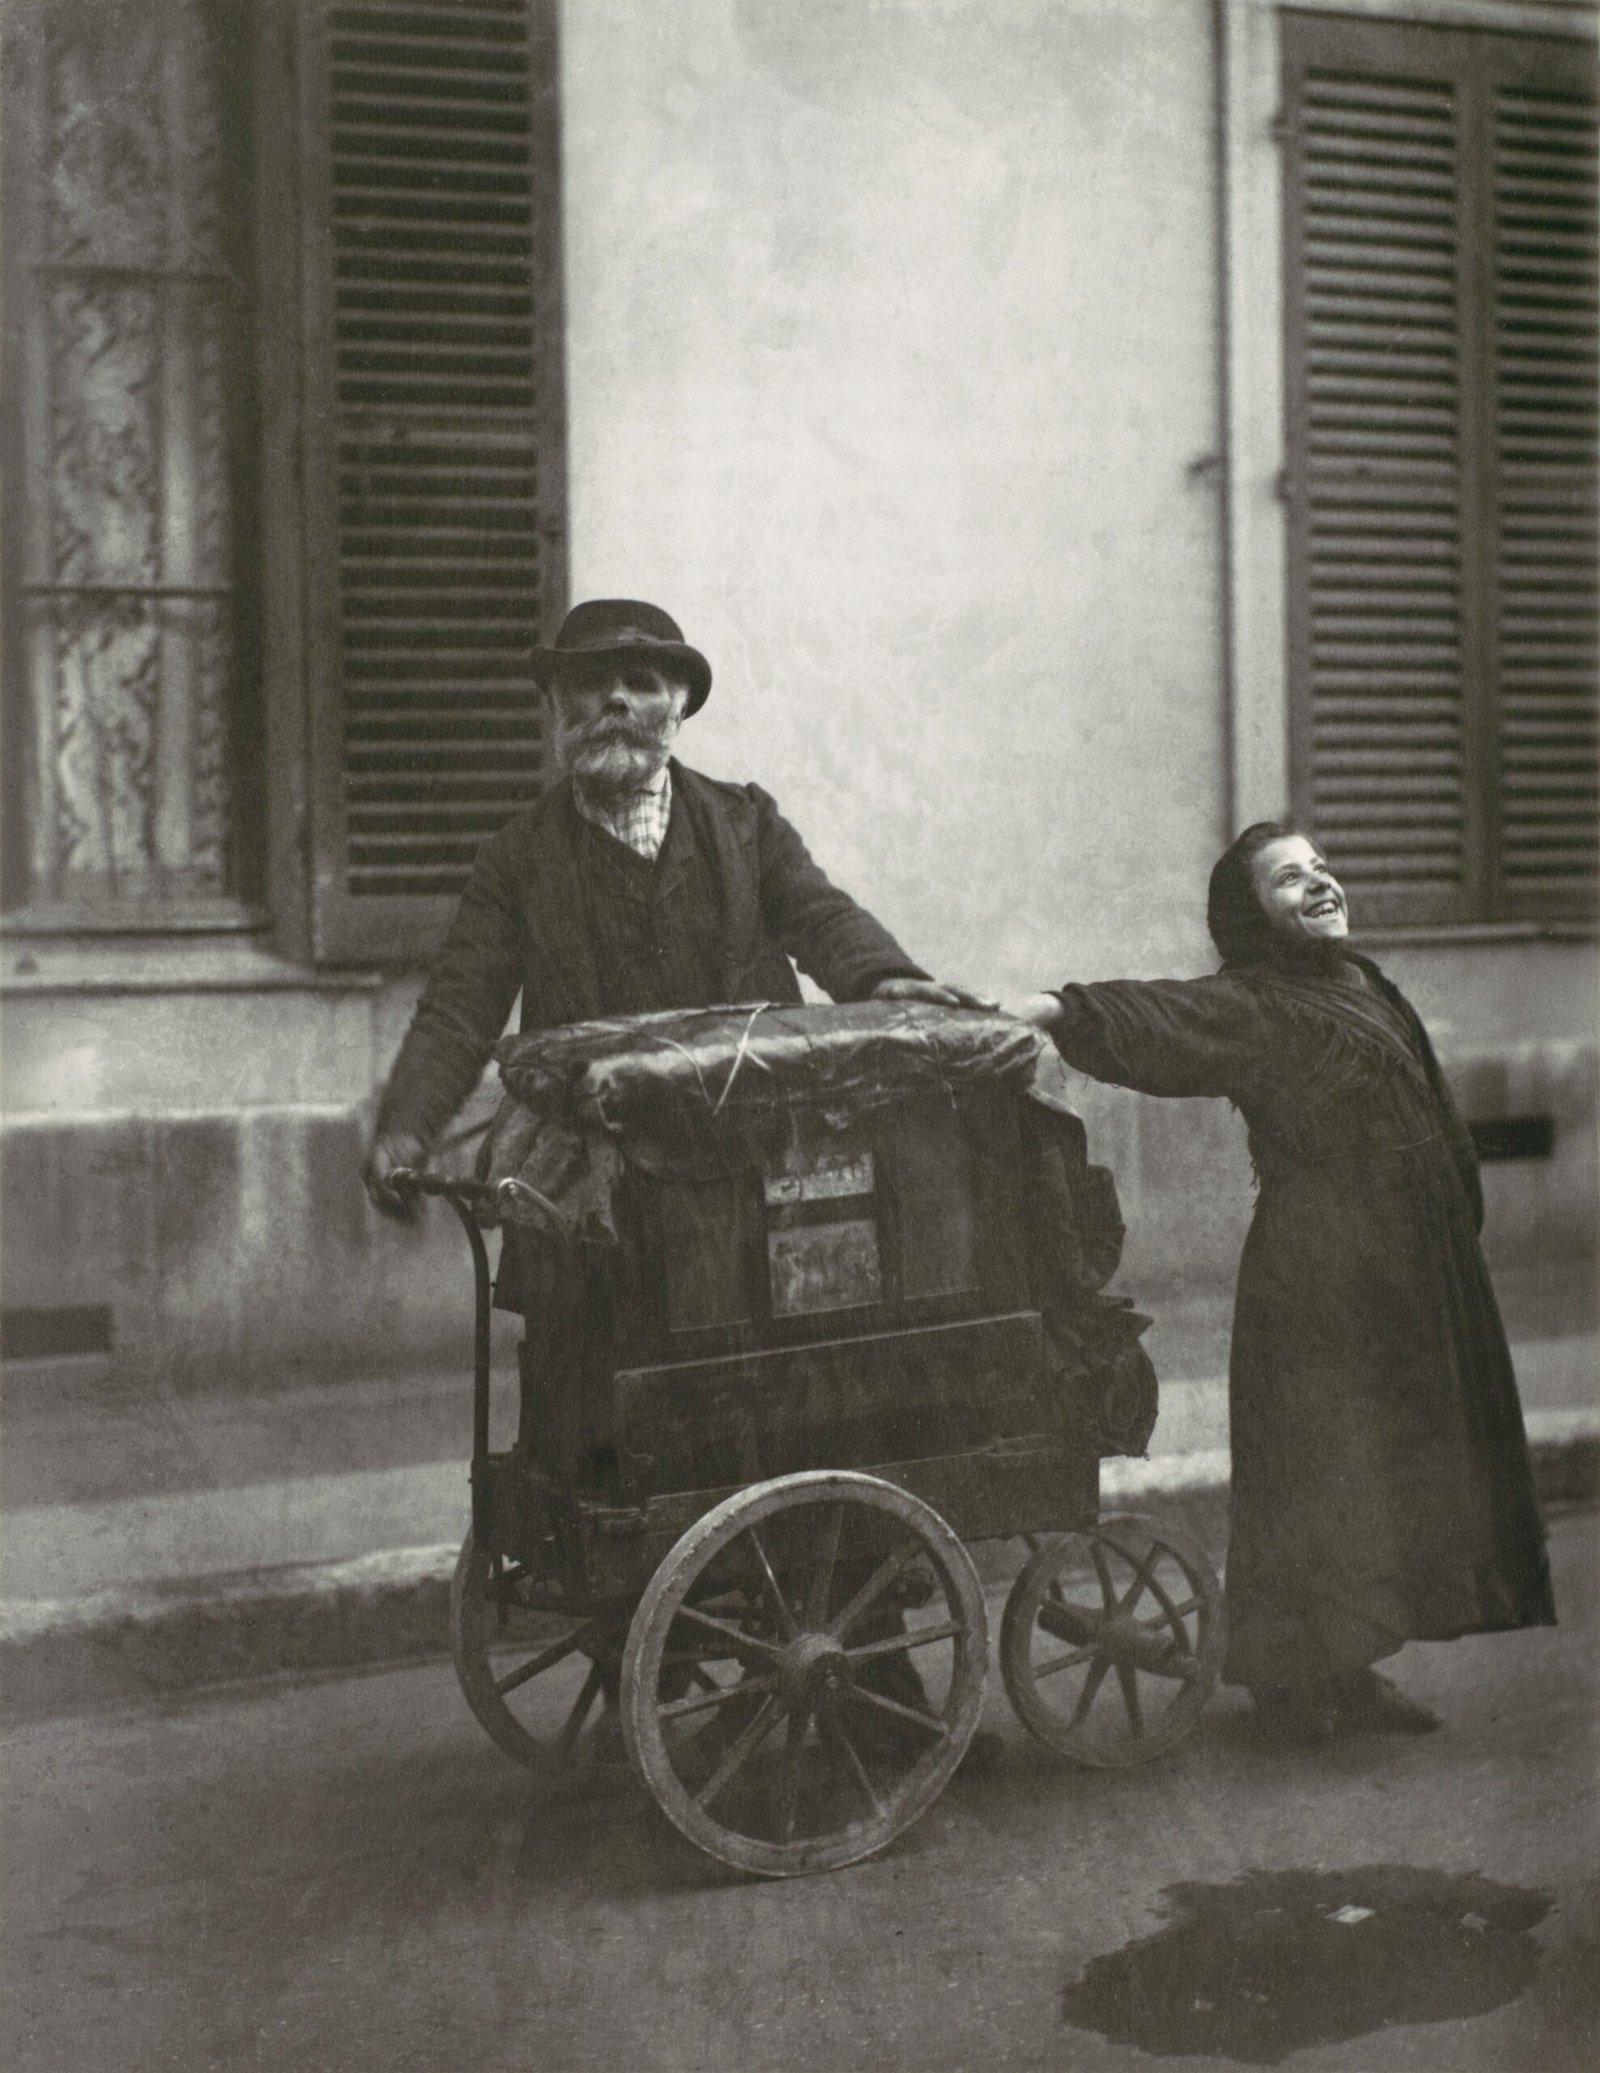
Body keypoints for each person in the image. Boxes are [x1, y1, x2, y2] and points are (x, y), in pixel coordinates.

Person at [1008, 822, 1556, 1746]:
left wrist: (1455, 1221)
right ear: (1248, 917)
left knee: (1384, 1469)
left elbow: (1430, 1101)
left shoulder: (1365, 983)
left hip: (1409, 1271)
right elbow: (1162, 1015)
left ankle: (1353, 1666)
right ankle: (1295, 1687)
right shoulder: (1257, 1005)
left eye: (1321, 869)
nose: (1320, 885)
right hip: (1322, 1278)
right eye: (1288, 880)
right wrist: (1053, 1009)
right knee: (1322, 1473)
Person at [364, 597, 989, 1212]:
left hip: (750, 1159)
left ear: (680, 706)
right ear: (556, 702)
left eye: (641, 683)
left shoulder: (747, 826)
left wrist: (888, 977)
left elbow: (821, 916)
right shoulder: (515, 858)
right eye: (591, 681)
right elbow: (458, 1008)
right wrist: (406, 1127)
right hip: (589, 1180)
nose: (617, 700)